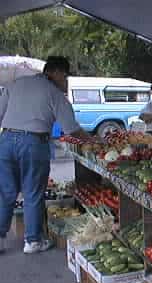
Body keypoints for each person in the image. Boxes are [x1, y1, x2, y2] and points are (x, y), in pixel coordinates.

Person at [0, 56, 87, 254]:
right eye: (65, 76)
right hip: (33, 143)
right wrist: (91, 140)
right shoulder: (54, 93)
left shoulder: (16, 84)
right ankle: (33, 241)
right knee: (32, 193)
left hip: (5, 141)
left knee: (6, 192)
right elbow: (70, 128)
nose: (65, 81)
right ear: (56, 72)